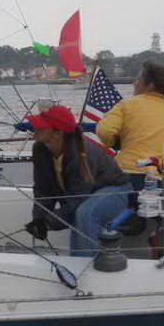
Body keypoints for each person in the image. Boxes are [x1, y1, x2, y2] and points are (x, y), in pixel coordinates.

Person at [25, 105, 132, 257]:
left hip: (118, 190)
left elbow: (77, 200)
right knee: (82, 210)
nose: (35, 127)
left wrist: (48, 223)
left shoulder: (81, 155)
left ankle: (84, 264)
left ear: (58, 133)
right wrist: (39, 219)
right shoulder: (40, 149)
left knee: (85, 213)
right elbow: (43, 189)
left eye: (41, 126)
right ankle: (80, 261)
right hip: (88, 194)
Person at [96, 61, 164, 192]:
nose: (134, 83)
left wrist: (113, 143)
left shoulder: (126, 105)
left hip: (127, 176)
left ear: (150, 86)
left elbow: (104, 131)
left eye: (138, 79)